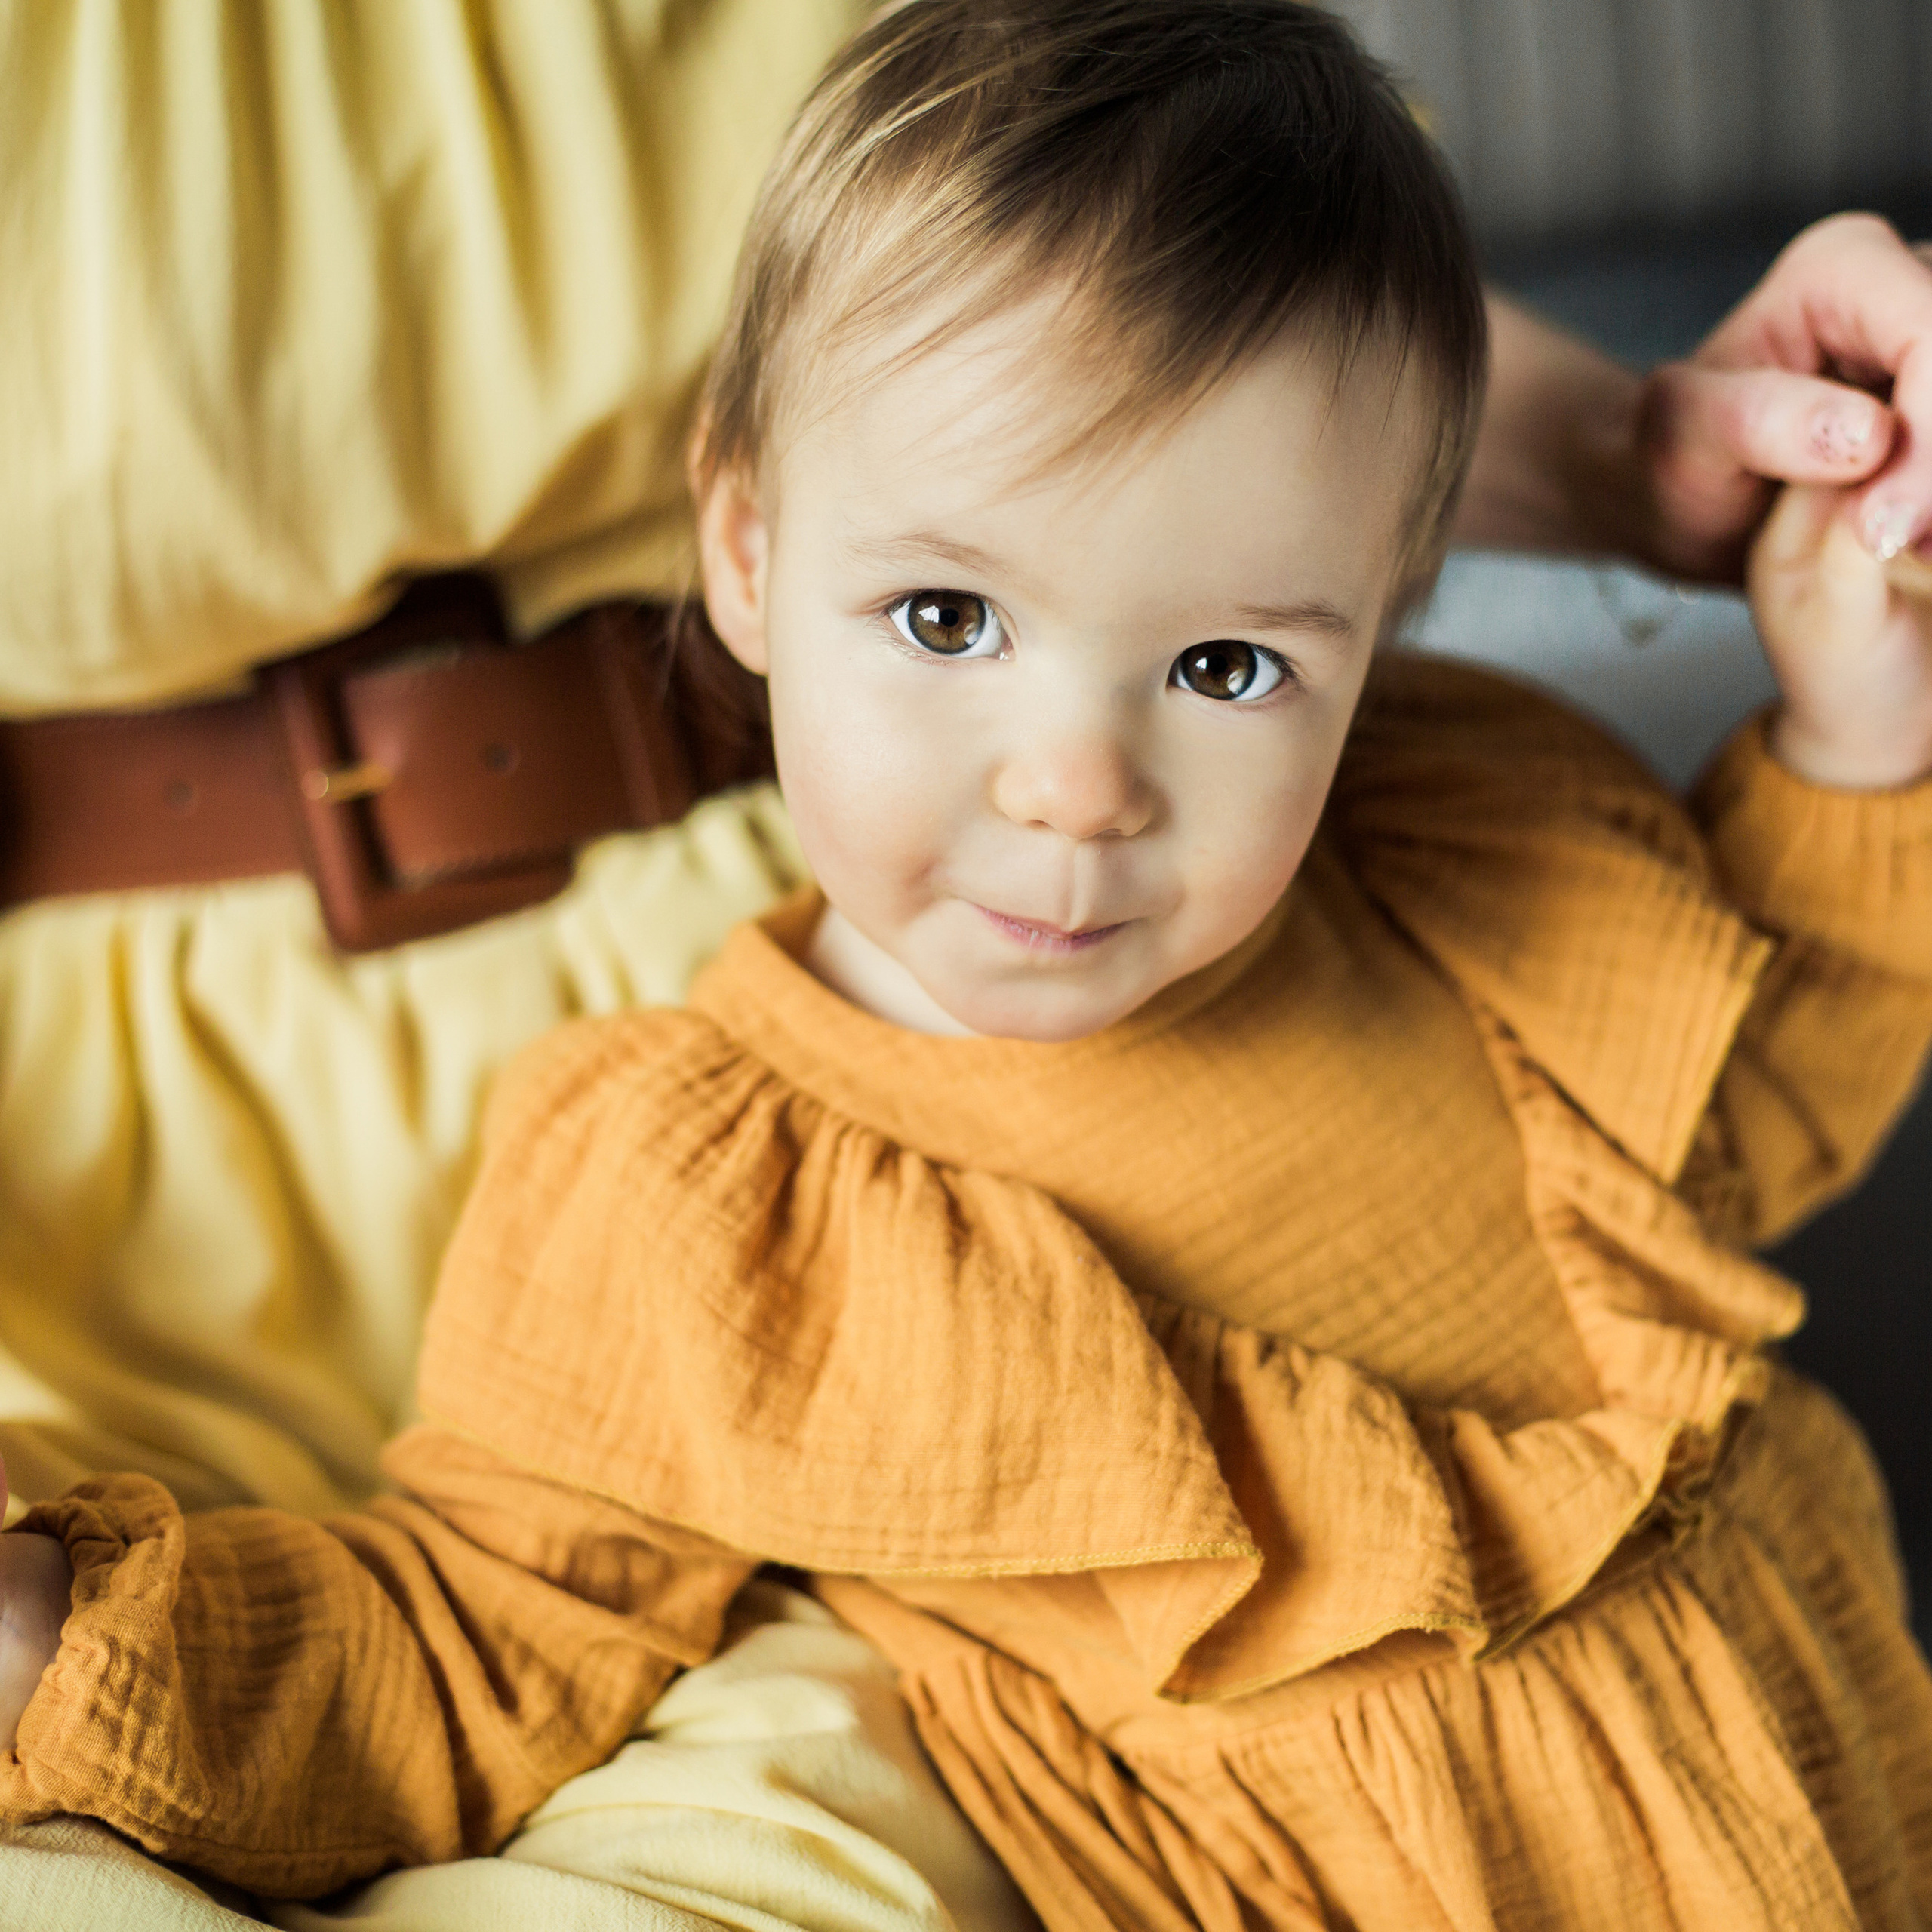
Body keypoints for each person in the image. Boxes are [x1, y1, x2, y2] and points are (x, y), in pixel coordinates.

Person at [4, 3, 1930, 1926]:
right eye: (943, 614)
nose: (1078, 787)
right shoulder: (703, 1209)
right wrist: (52, 1642)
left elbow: (1747, 1113)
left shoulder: (1448, 850)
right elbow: (461, 1641)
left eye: (1228, 666)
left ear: (1384, 620)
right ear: (746, 556)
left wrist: (1855, 732)